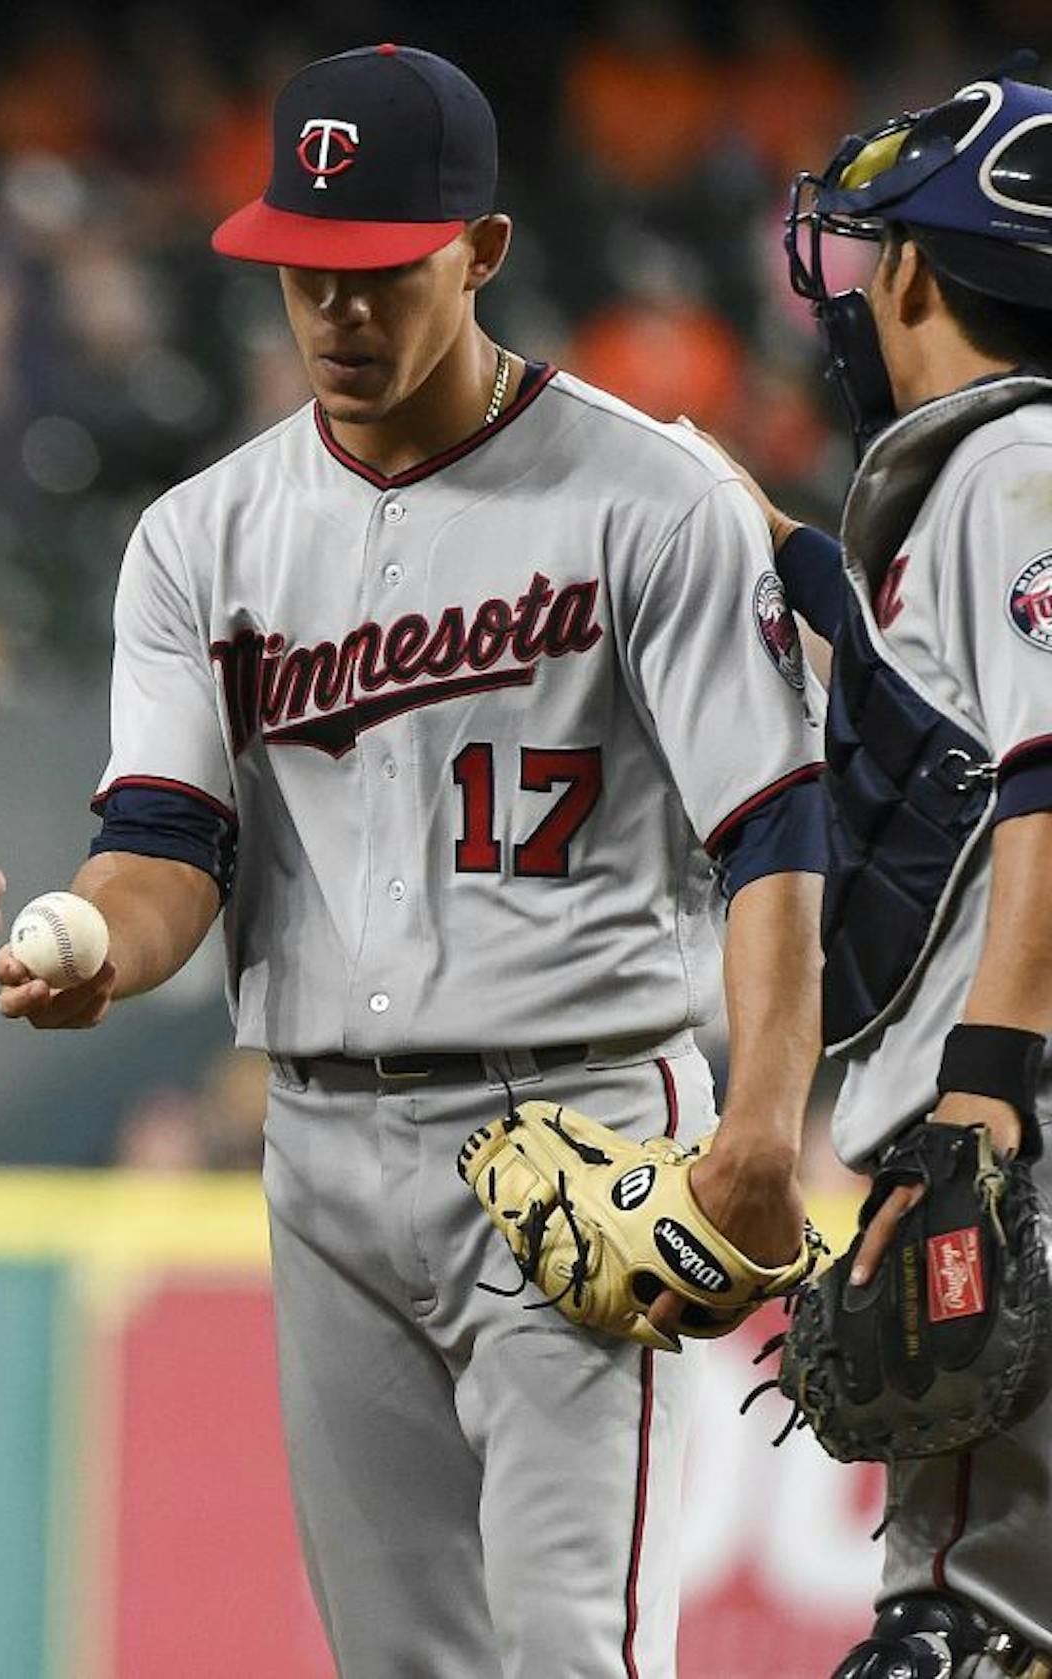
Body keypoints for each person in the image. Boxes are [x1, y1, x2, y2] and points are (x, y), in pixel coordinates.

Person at [0, 44, 827, 1676]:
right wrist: (91, 942)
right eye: (306, 268)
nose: (338, 310)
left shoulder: (652, 498)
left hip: (579, 1120)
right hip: (319, 1139)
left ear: (483, 249)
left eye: (380, 268)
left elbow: (773, 823)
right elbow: (164, 844)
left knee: (575, 1652)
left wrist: (766, 1123)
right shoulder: (202, 535)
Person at [703, 71, 1052, 1679]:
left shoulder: (1016, 468)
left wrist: (984, 1089)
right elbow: (946, 742)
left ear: (916, 270)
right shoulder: (998, 480)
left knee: (961, 1634)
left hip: (1020, 1120)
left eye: (873, 249)